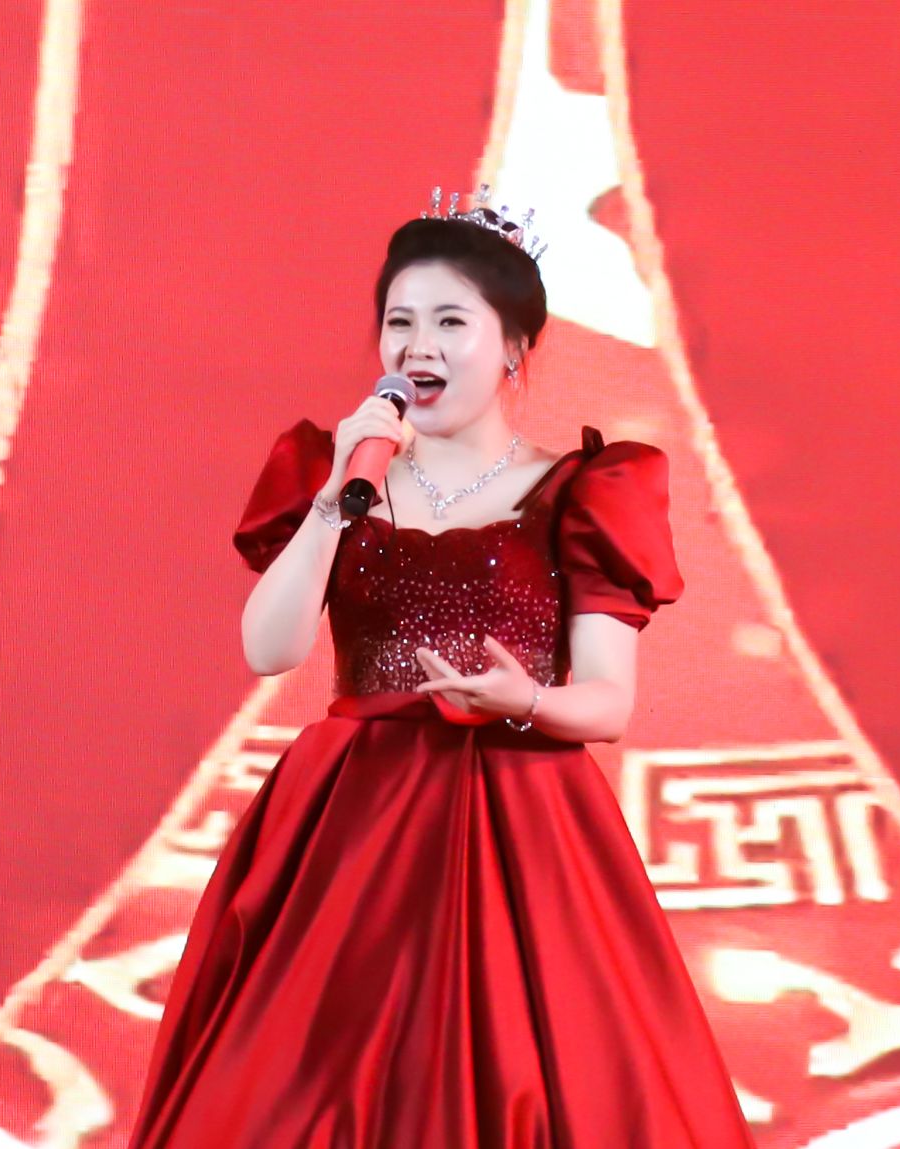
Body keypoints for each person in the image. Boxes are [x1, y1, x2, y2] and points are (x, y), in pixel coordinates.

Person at [123, 187, 755, 1148]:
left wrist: (521, 698)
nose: (419, 344)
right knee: (308, 1081)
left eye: (452, 321)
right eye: (400, 322)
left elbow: (607, 702)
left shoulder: (583, 490)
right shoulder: (343, 476)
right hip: (349, 820)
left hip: (521, 813)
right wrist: (337, 494)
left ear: (514, 348)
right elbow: (269, 649)